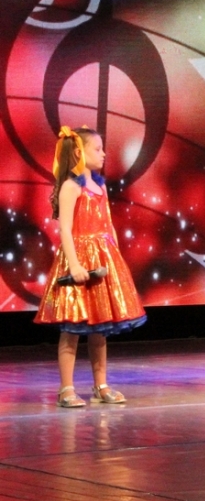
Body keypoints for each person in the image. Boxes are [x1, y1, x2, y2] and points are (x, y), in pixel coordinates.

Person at [35, 126, 146, 407]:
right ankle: (66, 389)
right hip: (78, 260)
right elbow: (65, 230)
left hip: (102, 261)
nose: (103, 153)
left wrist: (116, 258)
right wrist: (74, 265)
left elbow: (108, 225)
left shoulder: (101, 187)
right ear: (78, 153)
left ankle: (101, 385)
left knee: (100, 328)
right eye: (97, 149)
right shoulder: (71, 188)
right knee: (71, 329)